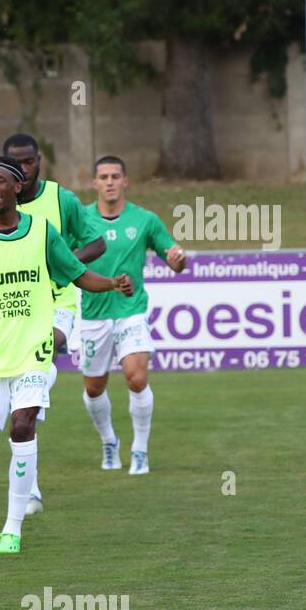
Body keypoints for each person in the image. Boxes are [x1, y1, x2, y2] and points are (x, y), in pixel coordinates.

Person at [0, 156, 132, 555]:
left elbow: (77, 273)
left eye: (0, 182)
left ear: (18, 187)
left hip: (32, 351)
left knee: (22, 427)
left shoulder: (42, 232)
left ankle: (12, 528)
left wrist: (112, 283)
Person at [0, 133, 106, 515]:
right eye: (17, 163)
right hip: (13, 307)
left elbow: (96, 243)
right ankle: (32, 487)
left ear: (39, 161)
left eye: (30, 162)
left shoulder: (61, 199)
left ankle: (29, 493)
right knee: (21, 408)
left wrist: (64, 260)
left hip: (57, 301)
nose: (24, 170)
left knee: (43, 354)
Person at [79, 155, 187, 474]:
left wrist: (178, 258)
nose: (110, 182)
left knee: (136, 379)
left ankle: (140, 449)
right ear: (94, 183)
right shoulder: (81, 219)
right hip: (93, 312)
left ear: (125, 181)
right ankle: (109, 440)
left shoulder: (145, 220)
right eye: (104, 177)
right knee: (93, 388)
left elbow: (174, 259)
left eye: (116, 176)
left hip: (131, 311)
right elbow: (64, 256)